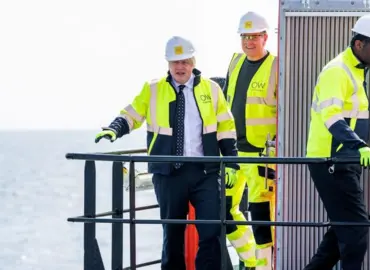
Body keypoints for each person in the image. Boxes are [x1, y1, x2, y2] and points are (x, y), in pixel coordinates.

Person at [94, 36, 239, 270]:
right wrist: (114, 129)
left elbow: (225, 127)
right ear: (168, 64)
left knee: (212, 231)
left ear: (193, 62)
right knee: (172, 234)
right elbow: (132, 115)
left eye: (184, 61)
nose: (180, 67)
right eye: (175, 62)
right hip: (169, 174)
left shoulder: (211, 90)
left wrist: (231, 163)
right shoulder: (152, 89)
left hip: (205, 173)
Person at [304, 14, 370, 270]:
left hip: (344, 162)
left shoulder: (354, 70)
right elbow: (332, 118)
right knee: (355, 235)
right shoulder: (337, 71)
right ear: (358, 44)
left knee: (338, 236)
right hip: (332, 163)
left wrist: (356, 150)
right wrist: (359, 145)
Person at [222, 11, 278, 270]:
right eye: (245, 37)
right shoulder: (234, 62)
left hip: (260, 155)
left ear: (265, 37)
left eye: (254, 37)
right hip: (232, 153)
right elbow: (224, 104)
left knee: (261, 216)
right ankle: (252, 262)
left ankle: (265, 267)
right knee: (223, 211)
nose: (248, 42)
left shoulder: (277, 66)